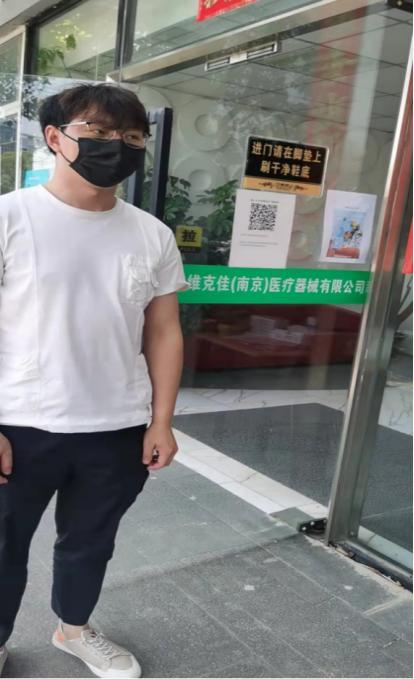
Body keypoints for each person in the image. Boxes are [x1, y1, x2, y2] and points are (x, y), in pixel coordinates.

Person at [0, 83, 190, 678]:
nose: (117, 146)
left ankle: (74, 629)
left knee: (91, 541)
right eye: (98, 132)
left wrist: (161, 421)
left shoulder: (152, 235)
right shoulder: (9, 217)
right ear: (55, 138)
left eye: (131, 137)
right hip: (18, 424)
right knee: (2, 546)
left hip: (117, 426)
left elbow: (164, 332)